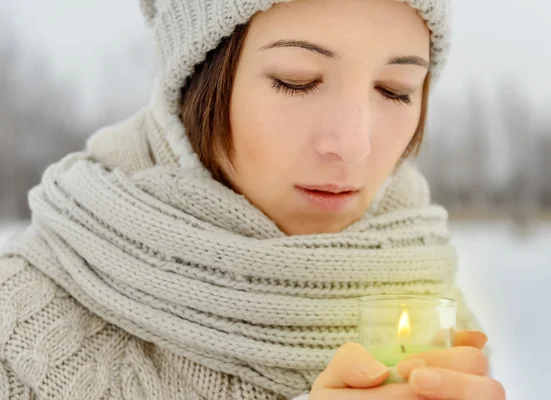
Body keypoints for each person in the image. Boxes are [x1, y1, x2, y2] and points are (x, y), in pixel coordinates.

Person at [0, 0, 505, 399]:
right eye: (297, 82)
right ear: (199, 78)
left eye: (395, 90)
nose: (354, 144)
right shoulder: (20, 328)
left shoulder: (428, 294)